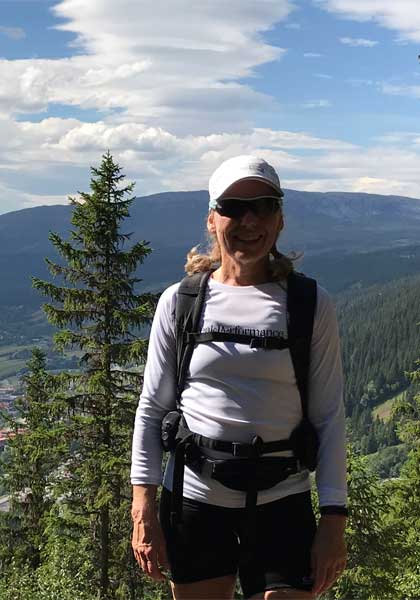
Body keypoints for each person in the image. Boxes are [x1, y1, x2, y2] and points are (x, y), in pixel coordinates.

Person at [129, 155, 347, 599]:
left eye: (263, 206)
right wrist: (143, 509)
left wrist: (333, 520)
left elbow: (328, 416)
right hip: (194, 499)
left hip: (283, 501)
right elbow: (152, 408)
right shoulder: (180, 302)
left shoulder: (308, 303)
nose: (249, 219)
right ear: (212, 220)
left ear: (280, 219)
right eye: (233, 207)